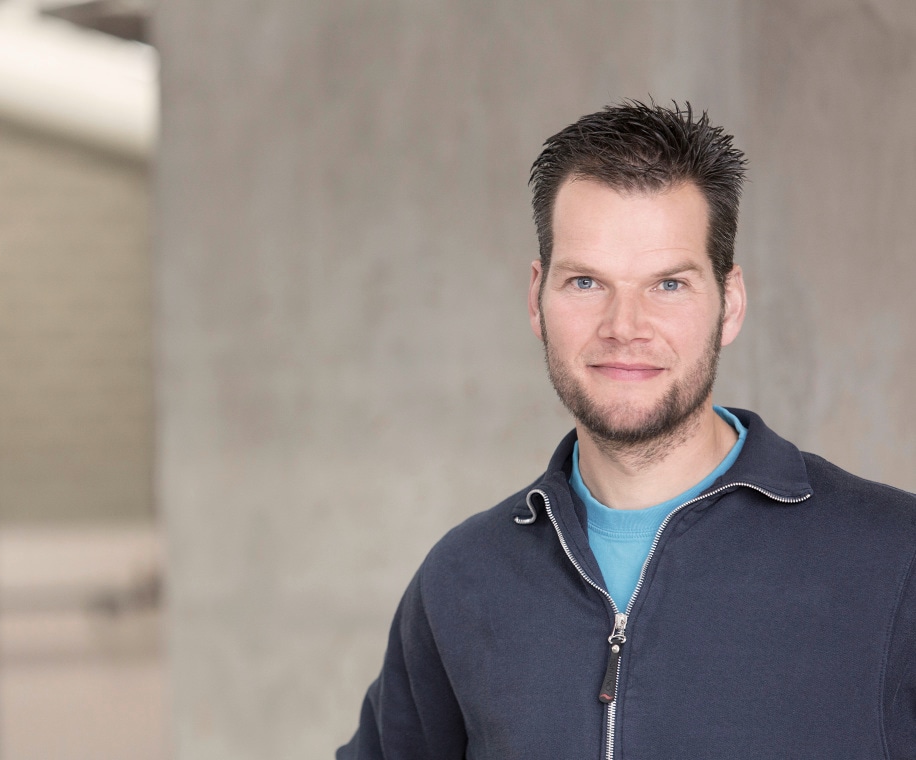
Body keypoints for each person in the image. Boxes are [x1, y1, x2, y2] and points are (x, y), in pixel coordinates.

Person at [337, 101, 916, 759]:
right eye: (586, 281)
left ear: (730, 305)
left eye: (668, 285)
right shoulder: (463, 580)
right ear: (537, 299)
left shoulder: (896, 561)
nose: (624, 326)